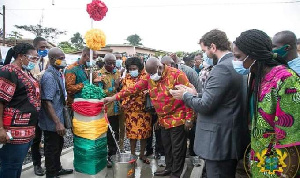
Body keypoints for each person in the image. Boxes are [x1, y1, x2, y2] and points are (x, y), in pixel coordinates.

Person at [170, 29, 249, 178]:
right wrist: (196, 94)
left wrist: (185, 95)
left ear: (213, 47)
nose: (206, 54)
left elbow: (206, 106)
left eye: (205, 50)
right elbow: (222, 98)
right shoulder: (235, 64)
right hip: (228, 137)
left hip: (219, 141)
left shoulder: (222, 69)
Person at [104, 57, 194, 178]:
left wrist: (189, 118)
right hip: (163, 119)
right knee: (166, 146)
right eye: (149, 73)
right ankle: (168, 168)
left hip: (178, 117)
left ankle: (176, 174)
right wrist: (112, 98)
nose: (151, 76)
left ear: (160, 67)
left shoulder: (177, 75)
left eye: (152, 73)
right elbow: (132, 89)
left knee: (177, 148)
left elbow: (189, 97)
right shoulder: (149, 77)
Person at [233, 29, 300, 178]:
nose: (235, 61)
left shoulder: (286, 80)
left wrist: (287, 172)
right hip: (262, 156)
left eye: (238, 57)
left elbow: (291, 136)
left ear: (253, 56)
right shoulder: (259, 77)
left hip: (280, 161)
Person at [0, 43, 41, 178]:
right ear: (20, 56)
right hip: (13, 130)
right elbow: (1, 100)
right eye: (33, 58)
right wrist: (1, 129)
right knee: (10, 166)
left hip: (26, 130)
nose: (35, 61)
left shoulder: (25, 72)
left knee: (17, 165)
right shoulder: (9, 71)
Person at [39, 48, 73, 178]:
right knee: (51, 148)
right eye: (61, 58)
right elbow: (47, 102)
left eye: (64, 57)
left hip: (58, 116)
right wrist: (58, 123)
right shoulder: (49, 76)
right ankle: (51, 173)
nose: (63, 61)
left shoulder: (58, 73)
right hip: (52, 121)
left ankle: (57, 168)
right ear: (52, 59)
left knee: (59, 145)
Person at [121, 57, 152, 163]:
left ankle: (142, 154)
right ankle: (133, 155)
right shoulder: (126, 78)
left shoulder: (146, 77)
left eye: (134, 68)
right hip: (130, 111)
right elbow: (124, 91)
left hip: (143, 111)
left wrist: (147, 92)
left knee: (144, 135)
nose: (132, 70)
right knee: (132, 136)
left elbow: (152, 89)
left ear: (139, 68)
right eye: (130, 68)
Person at [98, 53, 121, 168]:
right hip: (107, 109)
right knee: (107, 135)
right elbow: (99, 93)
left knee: (115, 133)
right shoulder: (99, 74)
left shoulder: (117, 72)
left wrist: (120, 86)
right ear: (104, 62)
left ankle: (113, 155)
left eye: (114, 63)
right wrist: (114, 88)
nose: (112, 65)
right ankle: (106, 157)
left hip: (117, 108)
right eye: (109, 63)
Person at [31, 36, 50, 176]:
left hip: (46, 103)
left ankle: (50, 163)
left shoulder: (47, 60)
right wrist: (45, 71)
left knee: (48, 135)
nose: (44, 50)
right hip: (34, 104)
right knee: (36, 137)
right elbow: (33, 79)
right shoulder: (31, 63)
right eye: (42, 47)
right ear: (35, 47)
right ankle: (37, 164)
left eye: (45, 47)